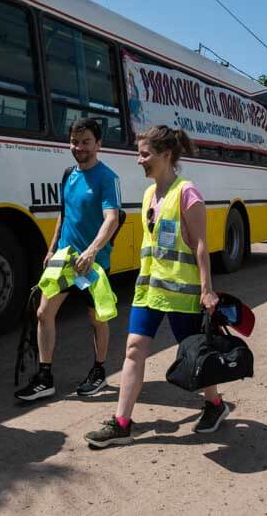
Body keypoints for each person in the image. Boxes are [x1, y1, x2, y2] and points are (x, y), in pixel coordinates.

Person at [83, 125, 224, 448]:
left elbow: (201, 245)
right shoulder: (149, 194)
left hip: (181, 294)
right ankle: (122, 423)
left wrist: (206, 289)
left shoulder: (187, 193)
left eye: (144, 154)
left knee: (194, 357)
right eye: (139, 153)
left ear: (166, 155)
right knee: (133, 350)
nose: (139, 160)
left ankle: (215, 404)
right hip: (147, 292)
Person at [14, 118, 121, 401]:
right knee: (42, 312)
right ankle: (44, 377)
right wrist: (51, 250)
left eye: (86, 141)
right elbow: (64, 214)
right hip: (65, 260)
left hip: (93, 263)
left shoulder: (108, 178)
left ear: (98, 144)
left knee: (96, 318)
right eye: (74, 141)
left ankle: (99, 371)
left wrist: (93, 250)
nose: (79, 147)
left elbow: (112, 219)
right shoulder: (67, 175)